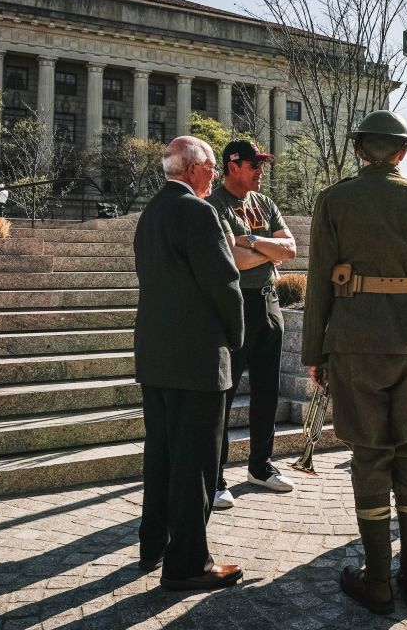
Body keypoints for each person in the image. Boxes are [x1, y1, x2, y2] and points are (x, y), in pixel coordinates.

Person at [301, 110, 407, 615]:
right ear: (401, 153)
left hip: (353, 346)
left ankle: (376, 580)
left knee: (370, 457)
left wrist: (315, 354)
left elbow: (318, 285)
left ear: (359, 151)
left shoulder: (333, 200)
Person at [134, 136, 245, 591]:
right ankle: (187, 564)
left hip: (156, 356)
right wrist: (237, 337)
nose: (216, 174)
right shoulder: (199, 212)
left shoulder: (150, 213)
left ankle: (152, 543)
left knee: (160, 454)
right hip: (198, 358)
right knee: (195, 463)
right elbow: (225, 283)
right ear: (193, 168)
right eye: (213, 166)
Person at [206, 139, 299, 508]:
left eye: (262, 163)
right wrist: (266, 250)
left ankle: (260, 466)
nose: (261, 170)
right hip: (236, 307)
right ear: (233, 165)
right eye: (254, 164)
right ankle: (214, 478)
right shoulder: (214, 206)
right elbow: (233, 259)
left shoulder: (264, 204)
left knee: (267, 390)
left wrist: (251, 240)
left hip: (270, 305)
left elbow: (290, 249)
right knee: (225, 395)